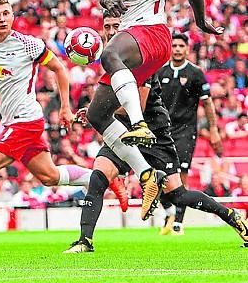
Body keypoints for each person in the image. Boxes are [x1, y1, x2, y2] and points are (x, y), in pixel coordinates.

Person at [0, 0, 127, 249]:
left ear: (13, 17)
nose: (2, 19)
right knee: (50, 176)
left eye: (6, 13)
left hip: (26, 121)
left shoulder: (29, 44)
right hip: (10, 122)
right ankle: (103, 177)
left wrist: (65, 107)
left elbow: (59, 69)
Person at [64, 13, 248, 253]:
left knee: (178, 195)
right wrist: (95, 110)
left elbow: (138, 107)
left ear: (125, 28)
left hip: (153, 133)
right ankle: (84, 241)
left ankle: (232, 216)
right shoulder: (111, 60)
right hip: (122, 130)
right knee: (98, 178)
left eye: (115, 26)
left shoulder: (139, 58)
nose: (110, 31)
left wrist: (97, 111)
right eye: (106, 26)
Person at [88, 0, 223, 221]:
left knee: (108, 54)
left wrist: (201, 22)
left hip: (154, 34)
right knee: (97, 114)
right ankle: (147, 173)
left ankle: (139, 123)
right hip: (132, 42)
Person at [156, 33, 221, 235]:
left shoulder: (195, 73)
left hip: (185, 132)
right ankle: (169, 212)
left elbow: (207, 103)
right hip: (162, 131)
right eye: (174, 45)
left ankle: (178, 222)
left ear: (187, 49)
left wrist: (213, 129)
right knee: (157, 176)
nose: (177, 49)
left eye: (181, 46)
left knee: (181, 175)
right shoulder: (160, 71)